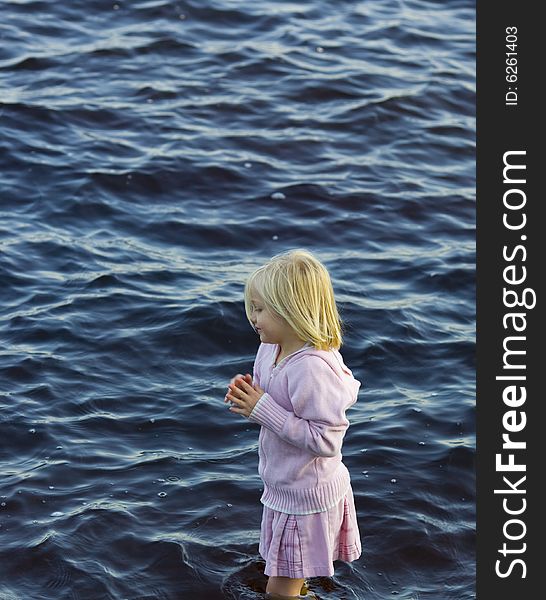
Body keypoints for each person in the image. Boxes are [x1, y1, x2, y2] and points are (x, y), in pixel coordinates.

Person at [224, 249, 362, 599]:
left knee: (279, 592)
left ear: (292, 312)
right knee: (289, 578)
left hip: (306, 496)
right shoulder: (270, 347)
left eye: (260, 309)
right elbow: (269, 396)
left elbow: (326, 440)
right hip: (284, 486)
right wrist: (249, 395)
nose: (252, 318)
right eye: (251, 307)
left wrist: (262, 408)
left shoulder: (313, 368)